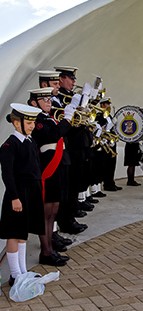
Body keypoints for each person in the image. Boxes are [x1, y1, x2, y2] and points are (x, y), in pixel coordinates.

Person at [29, 87, 77, 266]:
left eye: (49, 99)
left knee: (53, 212)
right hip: (48, 168)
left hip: (56, 168)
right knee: (46, 212)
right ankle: (46, 251)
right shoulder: (38, 120)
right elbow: (53, 134)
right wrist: (67, 118)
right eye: (44, 100)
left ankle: (50, 248)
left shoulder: (49, 118)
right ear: (34, 103)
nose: (49, 102)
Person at [0, 103, 45, 286]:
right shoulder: (9, 145)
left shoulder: (30, 141)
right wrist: (14, 197)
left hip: (30, 193)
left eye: (34, 122)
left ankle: (23, 271)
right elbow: (7, 174)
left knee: (23, 233)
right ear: (17, 123)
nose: (32, 126)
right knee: (13, 233)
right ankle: (15, 274)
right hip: (17, 194)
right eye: (29, 122)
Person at [53, 66, 88, 234]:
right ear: (61, 79)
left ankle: (69, 217)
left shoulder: (66, 99)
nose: (74, 82)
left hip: (72, 147)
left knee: (72, 186)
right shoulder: (58, 100)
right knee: (65, 189)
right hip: (66, 147)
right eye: (71, 78)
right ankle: (65, 221)